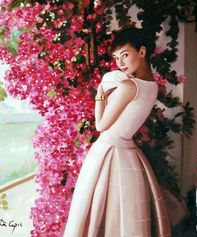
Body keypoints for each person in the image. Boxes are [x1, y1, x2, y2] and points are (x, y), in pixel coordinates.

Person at [63, 27, 171, 237]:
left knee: (98, 215)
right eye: (116, 58)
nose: (120, 63)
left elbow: (101, 125)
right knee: (124, 217)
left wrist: (100, 94)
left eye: (125, 55)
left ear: (141, 52)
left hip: (108, 150)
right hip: (128, 151)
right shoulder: (153, 86)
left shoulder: (129, 86)